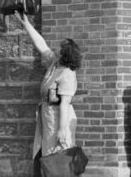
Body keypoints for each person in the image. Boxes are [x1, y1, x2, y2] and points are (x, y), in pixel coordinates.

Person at [16, 11, 82, 176]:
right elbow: (41, 44)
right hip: (48, 117)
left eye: (59, 48)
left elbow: (65, 104)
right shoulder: (54, 65)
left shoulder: (67, 73)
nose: (55, 49)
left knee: (56, 157)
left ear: (65, 54)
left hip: (58, 118)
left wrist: (61, 129)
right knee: (48, 156)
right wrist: (26, 24)